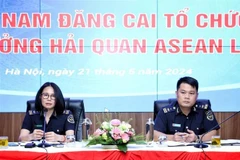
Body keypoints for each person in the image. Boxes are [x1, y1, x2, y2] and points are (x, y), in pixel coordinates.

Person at [154, 76, 220, 143]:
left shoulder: (204, 109)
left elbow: (213, 133)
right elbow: (155, 135)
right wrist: (172, 138)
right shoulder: (165, 112)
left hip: (197, 151)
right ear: (176, 94)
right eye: (183, 92)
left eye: (191, 93)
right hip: (172, 152)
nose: (187, 97)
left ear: (197, 95)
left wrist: (197, 137)